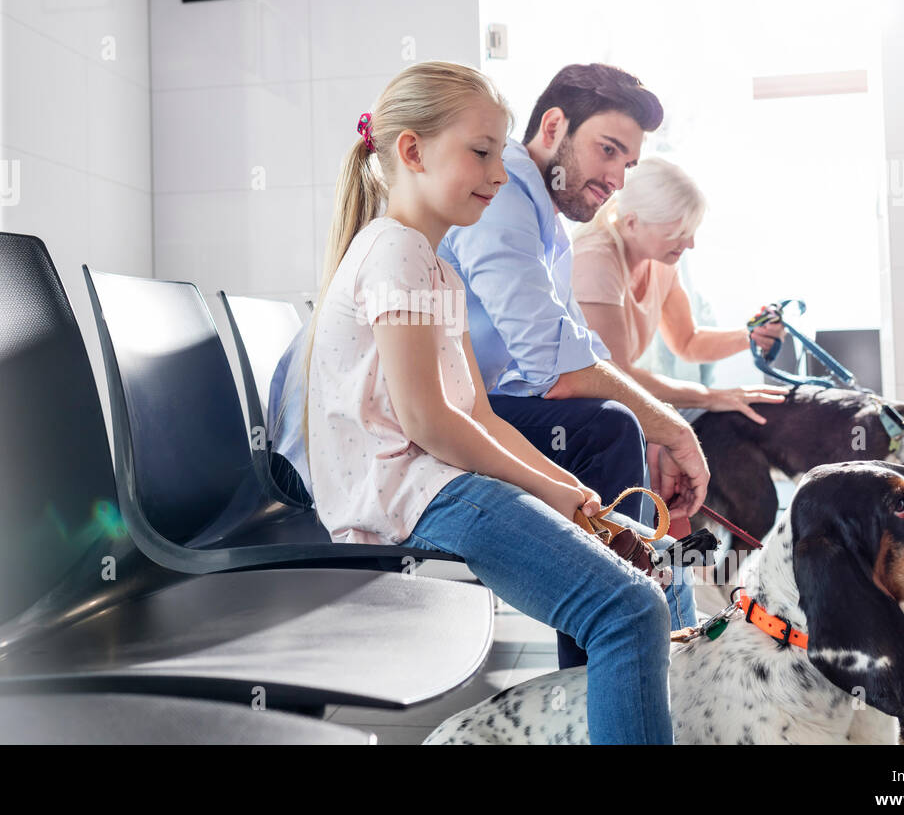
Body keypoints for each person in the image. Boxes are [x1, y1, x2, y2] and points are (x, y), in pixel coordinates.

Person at [304, 60, 673, 743]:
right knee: (629, 609)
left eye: (500, 156)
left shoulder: (435, 264)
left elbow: (477, 412)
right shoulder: (395, 254)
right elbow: (427, 422)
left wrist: (568, 489)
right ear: (411, 152)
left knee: (636, 594)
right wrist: (550, 491)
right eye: (480, 153)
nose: (499, 175)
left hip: (440, 486)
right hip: (416, 496)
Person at [437, 63, 701, 669]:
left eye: (628, 164)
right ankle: (608, 662)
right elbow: (558, 368)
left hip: (468, 399)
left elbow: (569, 356)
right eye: (607, 150)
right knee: (607, 427)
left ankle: (666, 654)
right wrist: (672, 429)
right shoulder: (501, 196)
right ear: (553, 126)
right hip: (427, 412)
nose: (616, 178)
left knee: (614, 436)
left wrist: (654, 434)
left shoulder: (542, 220)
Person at [570, 156, 787, 422]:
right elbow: (616, 376)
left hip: (612, 400)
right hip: (571, 408)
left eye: (691, 231)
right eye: (679, 233)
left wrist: (751, 336)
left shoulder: (661, 264)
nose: (691, 244)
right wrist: (713, 396)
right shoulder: (594, 261)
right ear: (631, 223)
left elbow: (687, 341)